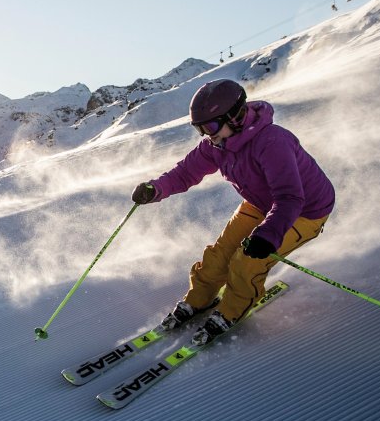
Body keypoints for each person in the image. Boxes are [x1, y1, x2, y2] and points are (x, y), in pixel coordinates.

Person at [131, 79, 335, 345]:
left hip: (304, 210)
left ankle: (232, 310)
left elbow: (290, 197)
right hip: (260, 204)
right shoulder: (216, 146)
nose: (207, 134)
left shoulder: (273, 141)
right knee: (220, 253)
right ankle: (199, 299)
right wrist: (155, 189)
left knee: (246, 260)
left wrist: (268, 235)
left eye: (211, 126)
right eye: (200, 129)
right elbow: (185, 173)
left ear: (235, 116)